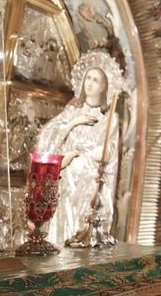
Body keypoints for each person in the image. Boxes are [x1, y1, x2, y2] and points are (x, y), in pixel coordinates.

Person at [37, 51, 123, 246]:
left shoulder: (110, 119)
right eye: (88, 78)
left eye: (97, 80)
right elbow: (47, 136)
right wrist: (74, 123)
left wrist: (86, 154)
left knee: (82, 220)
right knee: (63, 218)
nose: (90, 83)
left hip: (88, 179)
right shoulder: (72, 112)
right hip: (68, 178)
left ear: (104, 87)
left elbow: (108, 153)